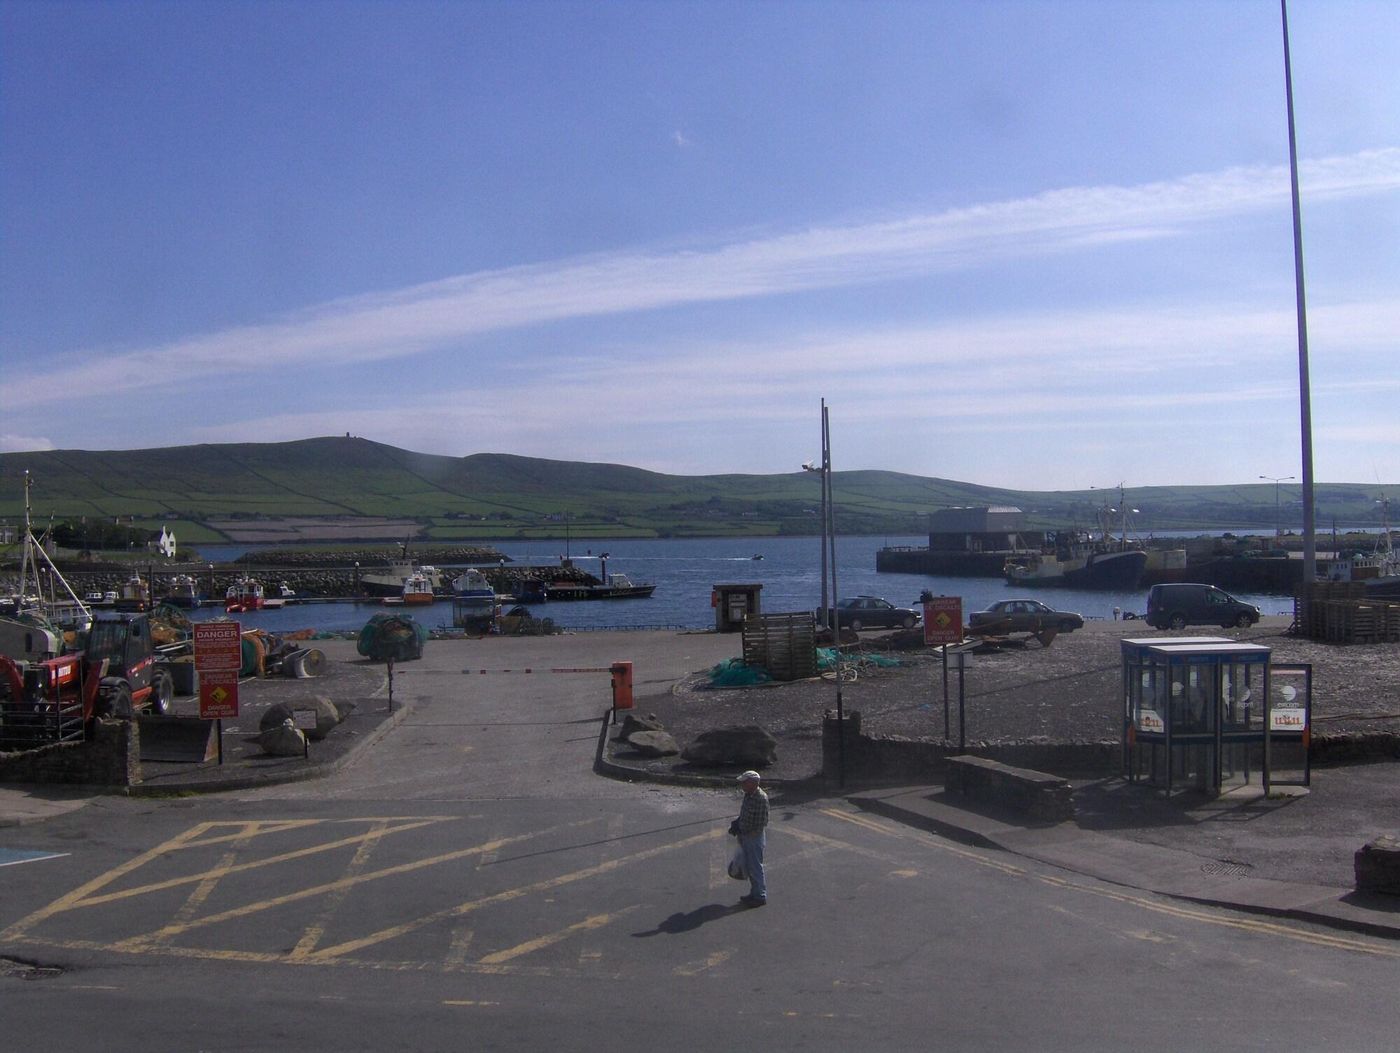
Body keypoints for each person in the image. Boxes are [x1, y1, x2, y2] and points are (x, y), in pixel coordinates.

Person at [731, 770, 769, 907]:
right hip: (746, 835)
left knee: (755, 867)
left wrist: (744, 833)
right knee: (751, 867)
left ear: (753, 783)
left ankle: (760, 896)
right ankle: (754, 893)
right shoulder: (748, 795)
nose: (742, 784)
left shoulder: (760, 798)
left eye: (744, 782)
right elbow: (745, 814)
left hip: (753, 838)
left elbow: (760, 823)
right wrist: (737, 824)